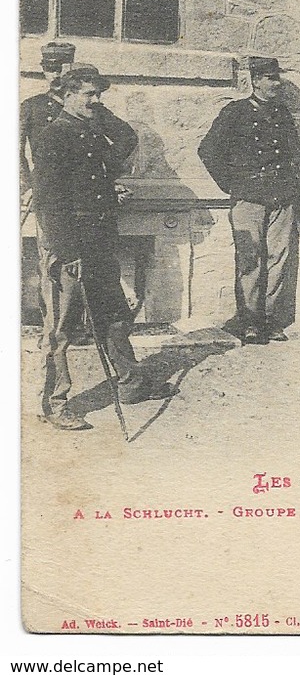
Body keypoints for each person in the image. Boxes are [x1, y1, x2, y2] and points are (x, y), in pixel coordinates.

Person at [33, 66, 169, 431]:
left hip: (100, 240)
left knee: (113, 314)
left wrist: (110, 192)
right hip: (70, 244)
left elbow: (97, 176)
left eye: (98, 94)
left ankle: (130, 383)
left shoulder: (90, 132)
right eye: (89, 95)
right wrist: (67, 250)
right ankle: (55, 402)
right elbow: (49, 201)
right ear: (66, 94)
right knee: (61, 328)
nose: (97, 101)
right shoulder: (51, 137)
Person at [198, 56, 300, 345]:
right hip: (248, 199)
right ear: (255, 81)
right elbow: (208, 150)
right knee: (250, 259)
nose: (276, 84)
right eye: (270, 78)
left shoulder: (283, 113)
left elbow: (297, 159)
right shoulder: (235, 112)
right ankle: (249, 321)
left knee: (279, 258)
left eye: (277, 78)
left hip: (283, 198)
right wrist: (233, 184)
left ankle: (271, 320)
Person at [20, 41, 76, 323]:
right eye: (49, 69)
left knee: (79, 262)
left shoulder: (84, 105)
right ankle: (52, 328)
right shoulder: (31, 107)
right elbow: (14, 152)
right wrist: (28, 185)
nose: (54, 75)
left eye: (61, 69)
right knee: (51, 261)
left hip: (80, 198)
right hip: (47, 198)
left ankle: (76, 325)